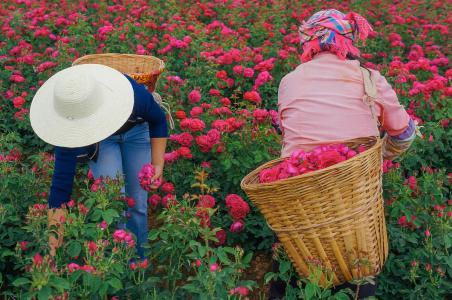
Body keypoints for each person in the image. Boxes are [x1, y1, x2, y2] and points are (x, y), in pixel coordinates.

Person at [270, 9, 416, 299]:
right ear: (348, 42)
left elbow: (289, 131)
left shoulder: (289, 81)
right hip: (353, 196)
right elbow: (404, 133)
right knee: (358, 274)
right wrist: (379, 155)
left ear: (309, 41)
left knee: (290, 267)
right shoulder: (369, 79)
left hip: (296, 191)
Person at [30, 64, 168, 259]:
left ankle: (138, 262)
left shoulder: (132, 94)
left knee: (137, 203)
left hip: (136, 131)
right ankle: (115, 264)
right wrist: (53, 246)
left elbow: (159, 120)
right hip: (102, 141)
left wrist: (157, 164)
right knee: (113, 203)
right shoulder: (70, 124)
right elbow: (60, 187)